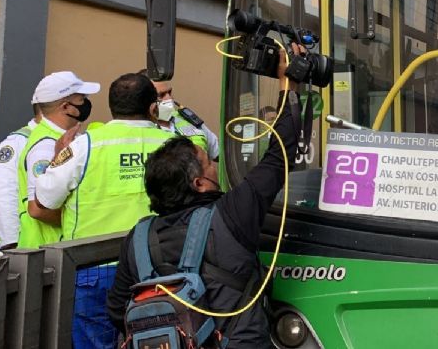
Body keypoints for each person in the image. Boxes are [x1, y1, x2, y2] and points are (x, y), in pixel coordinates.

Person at [108, 46, 303, 347]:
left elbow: (118, 309)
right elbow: (279, 155)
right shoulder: (232, 215)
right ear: (199, 183)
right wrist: (287, 84)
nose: (215, 166)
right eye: (209, 162)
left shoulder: (138, 237)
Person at [34, 72, 177, 349]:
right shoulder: (173, 146)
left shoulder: (84, 145)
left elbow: (45, 200)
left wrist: (56, 159)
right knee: (158, 339)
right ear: (152, 108)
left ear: (112, 107)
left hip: (92, 271)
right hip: (158, 268)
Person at [18, 71, 100, 249]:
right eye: (82, 99)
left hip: (57, 248)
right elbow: (37, 209)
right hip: (45, 251)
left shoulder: (64, 137)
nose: (86, 103)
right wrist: (78, 222)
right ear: (66, 107)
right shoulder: (45, 145)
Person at [0, 102, 41, 249]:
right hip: (25, 244)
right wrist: (12, 243)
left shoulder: (73, 139)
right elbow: (3, 196)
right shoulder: (17, 143)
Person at [140, 70, 221, 161]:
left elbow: (218, 153)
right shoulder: (140, 128)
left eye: (169, 92)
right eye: (161, 95)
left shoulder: (187, 118)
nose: (169, 98)